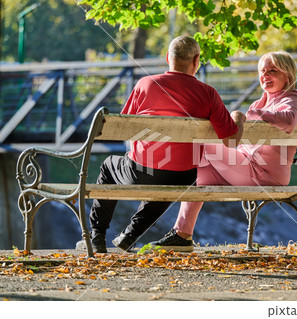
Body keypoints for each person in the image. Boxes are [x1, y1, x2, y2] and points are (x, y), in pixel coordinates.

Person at [76, 36, 246, 253]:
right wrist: (239, 118)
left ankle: (96, 237)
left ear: (168, 58)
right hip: (185, 176)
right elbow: (231, 141)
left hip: (141, 172)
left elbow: (126, 127)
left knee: (110, 165)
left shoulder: (145, 84)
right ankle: (130, 236)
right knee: (169, 178)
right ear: (196, 61)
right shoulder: (208, 93)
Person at [150, 51, 297, 252]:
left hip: (264, 175)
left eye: (273, 71)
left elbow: (290, 120)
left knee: (202, 142)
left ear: (288, 76)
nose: (265, 75)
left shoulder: (291, 100)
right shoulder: (260, 103)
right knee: (198, 172)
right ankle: (182, 235)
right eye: (262, 71)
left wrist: (247, 115)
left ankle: (159, 170)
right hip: (248, 168)